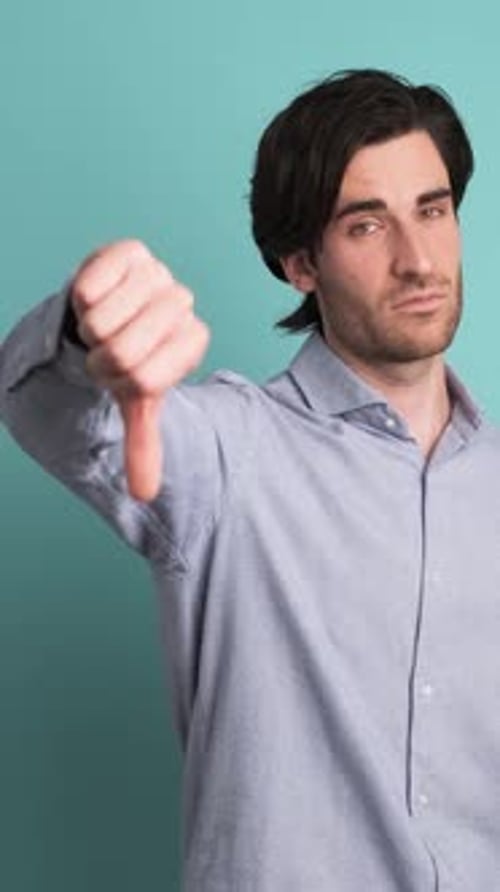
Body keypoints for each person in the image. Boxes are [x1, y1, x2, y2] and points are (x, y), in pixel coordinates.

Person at [0, 68, 496, 890]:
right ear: (300, 263)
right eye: (367, 226)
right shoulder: (226, 451)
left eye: (433, 211)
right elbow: (48, 409)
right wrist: (89, 332)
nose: (418, 260)